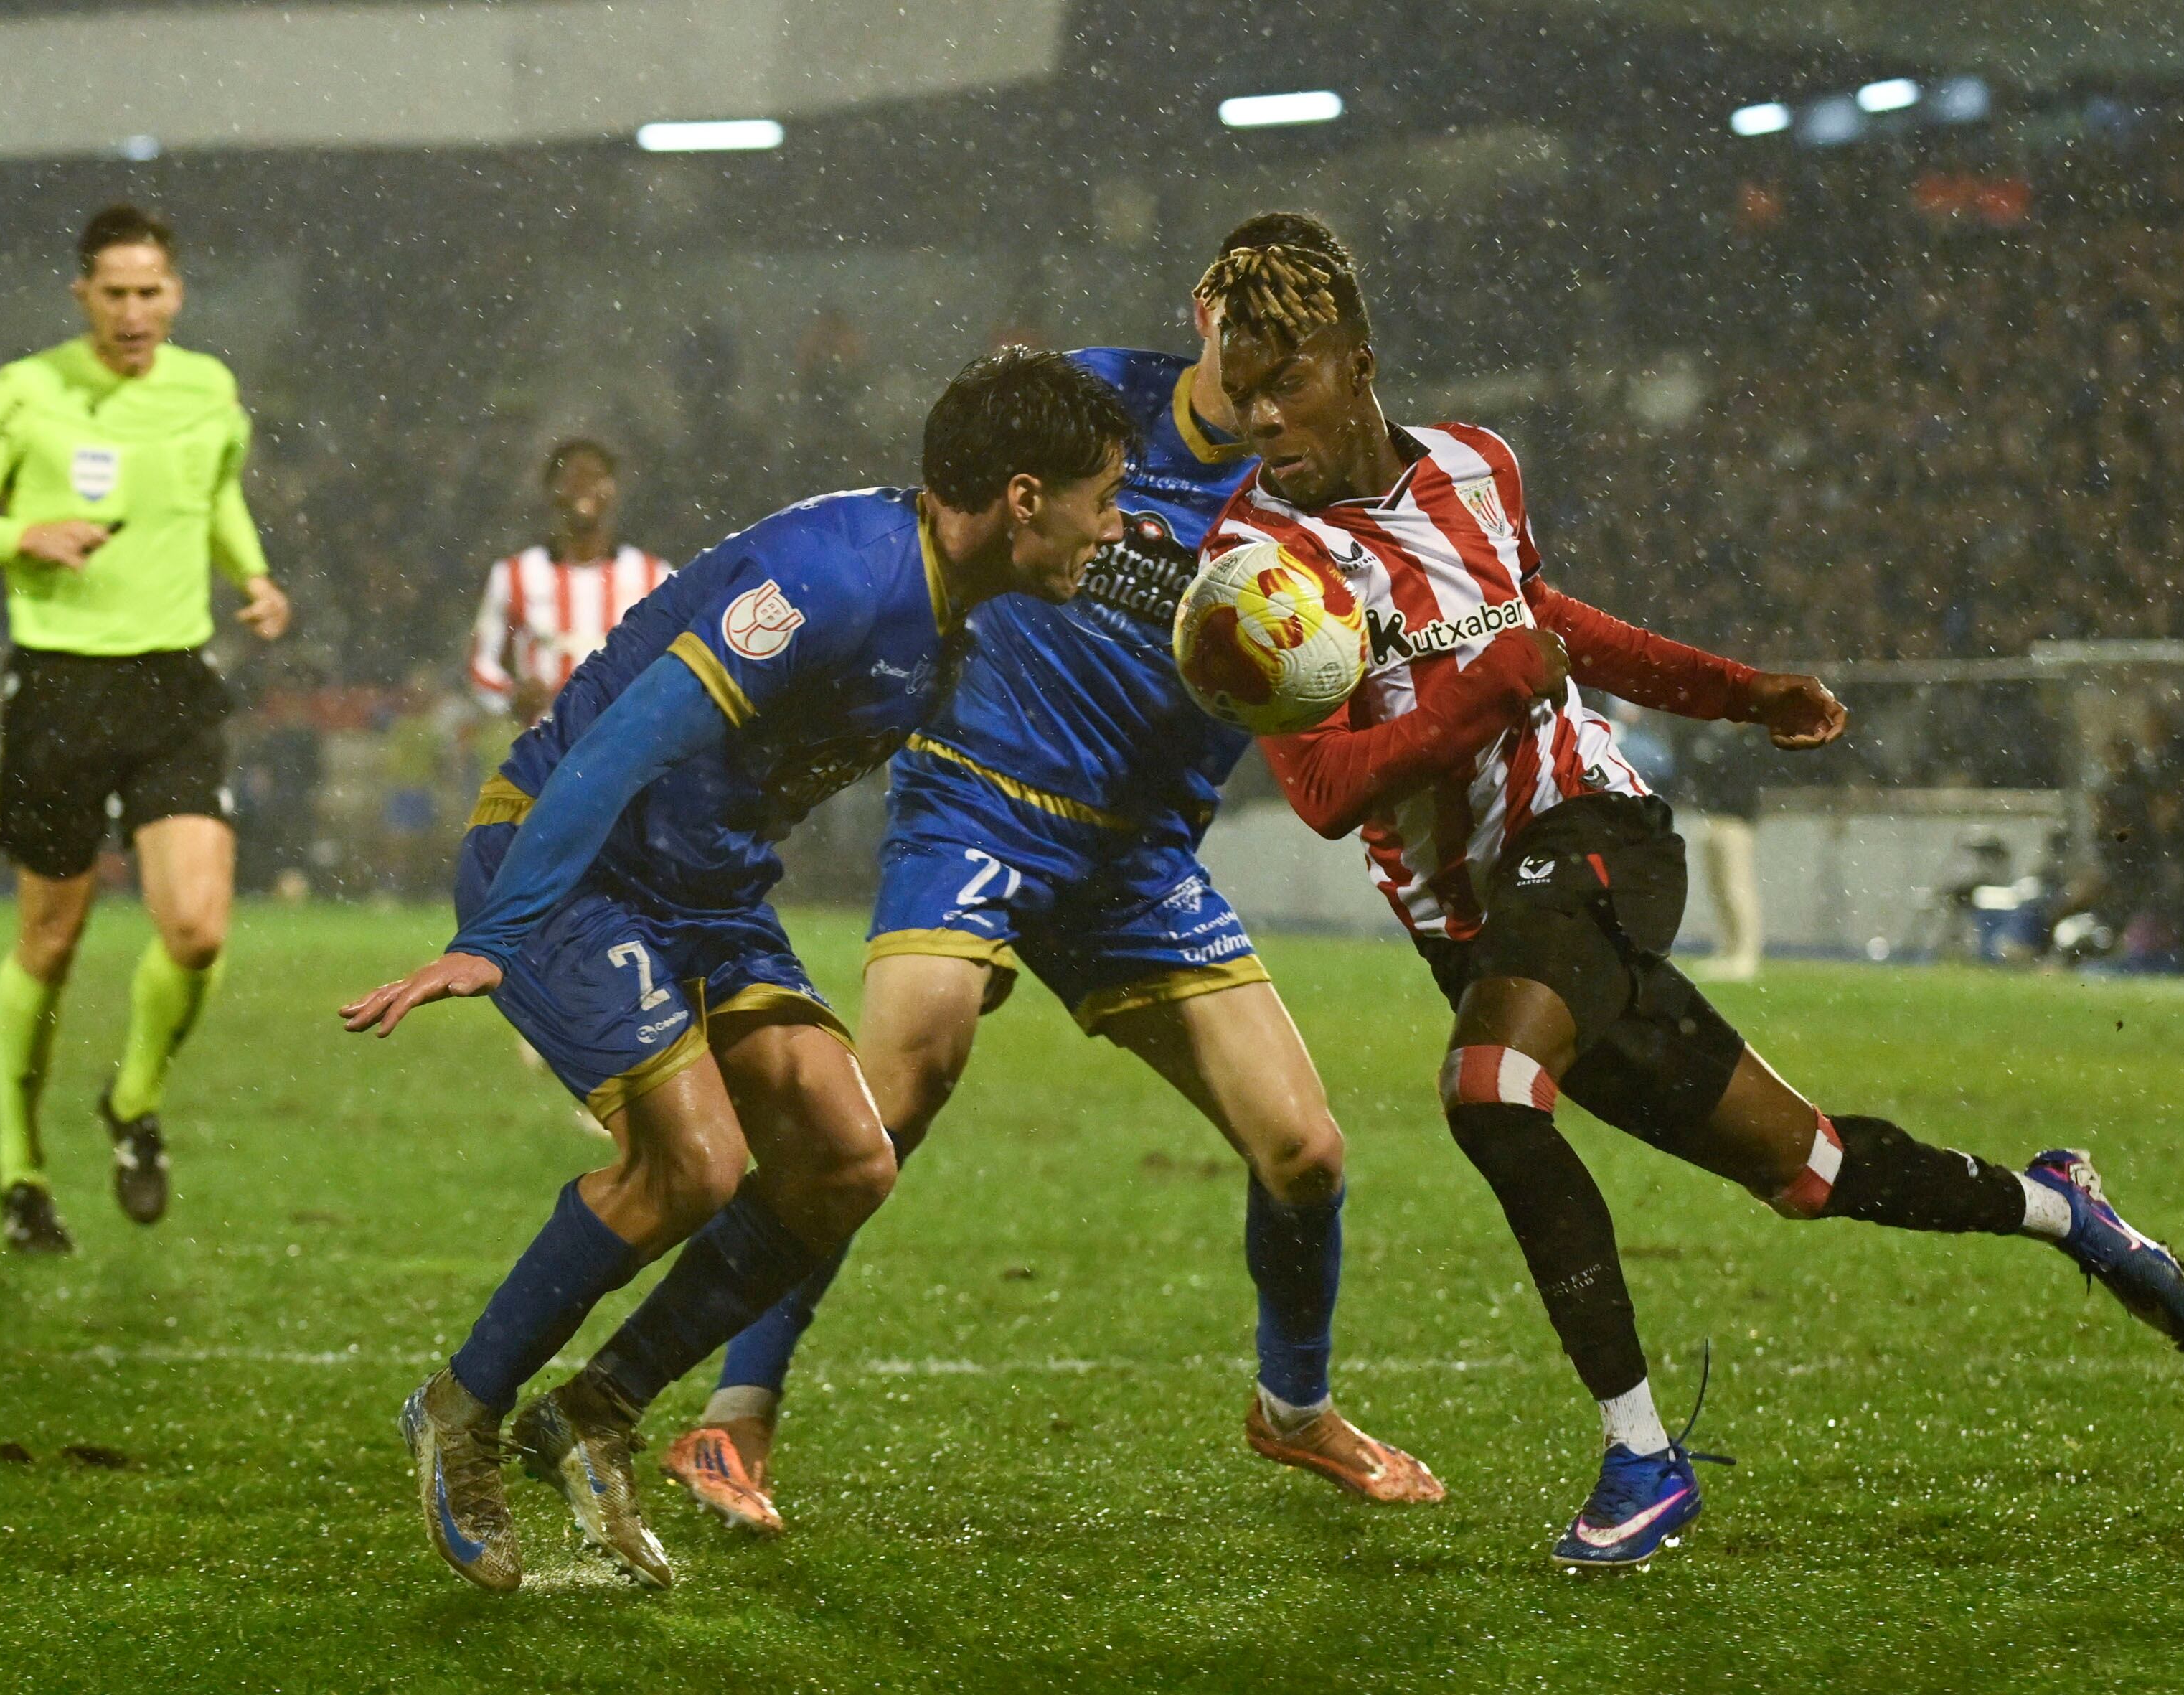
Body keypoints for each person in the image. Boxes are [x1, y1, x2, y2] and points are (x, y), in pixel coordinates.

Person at [1195, 237, 2184, 1570]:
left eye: (1289, 381)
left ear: (1361, 367)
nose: (1263, 418)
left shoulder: (1477, 466)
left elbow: (1549, 618)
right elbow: (1323, 788)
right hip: (1478, 930)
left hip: (1595, 833)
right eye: (1240, 388)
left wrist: (1739, 691)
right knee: (1810, 1170)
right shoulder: (1250, 562)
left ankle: (1640, 1459)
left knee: (1491, 1088)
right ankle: (2059, 1205)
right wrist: (1480, 691)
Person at [659, 214, 1441, 1539]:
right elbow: (949, 523)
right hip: (976, 799)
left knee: (1304, 1152)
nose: (1260, 392)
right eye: (1246, 354)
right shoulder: (1089, 409)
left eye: (1290, 365)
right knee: (895, 1088)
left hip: (1134, 860)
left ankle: (1293, 1409)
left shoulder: (1307, 494)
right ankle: (733, 1412)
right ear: (1204, 309)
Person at [339, 349, 1131, 1593]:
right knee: (695, 1162)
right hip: (572, 860)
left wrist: (978, 935)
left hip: (703, 894)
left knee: (847, 1158)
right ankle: (459, 1407)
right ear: (1024, 496)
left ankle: (594, 1409)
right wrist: (493, 934)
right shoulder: (826, 578)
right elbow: (614, 747)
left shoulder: (953, 615)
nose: (1116, 522)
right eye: (1105, 494)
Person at [0, 202, 292, 1252]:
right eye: (114, 293)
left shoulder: (207, 388)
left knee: (199, 928)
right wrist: (22, 532)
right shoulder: (28, 393)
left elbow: (215, 497)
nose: (134, 311)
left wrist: (250, 575)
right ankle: (20, 1167)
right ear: (83, 295)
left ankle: (130, 1102)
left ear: (176, 293)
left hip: (170, 681)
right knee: (51, 936)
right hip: (61, 689)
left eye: (150, 291)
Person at [466, 439, 669, 726]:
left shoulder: (654, 575)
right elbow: (481, 665)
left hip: (630, 745)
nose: (583, 487)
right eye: (572, 478)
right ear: (552, 491)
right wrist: (513, 695)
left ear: (612, 491)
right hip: (547, 751)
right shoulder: (514, 575)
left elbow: (678, 659)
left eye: (595, 477)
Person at [1674, 719, 1766, 981]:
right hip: (1713, 817)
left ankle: (1746, 955)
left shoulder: (1750, 745)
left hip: (1735, 822)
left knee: (1738, 889)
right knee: (1719, 889)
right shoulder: (1720, 740)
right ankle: (1728, 949)